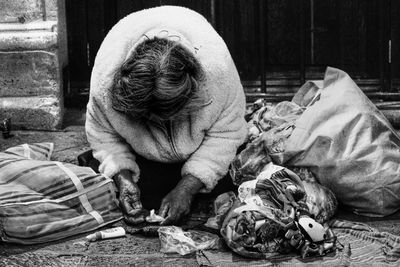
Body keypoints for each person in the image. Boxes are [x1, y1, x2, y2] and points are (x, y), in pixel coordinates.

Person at [85, 6, 247, 225]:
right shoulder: (107, 75)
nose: (160, 123)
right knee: (104, 178)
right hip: (144, 156)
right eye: (150, 119)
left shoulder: (216, 68)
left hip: (196, 150)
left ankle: (186, 189)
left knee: (242, 173)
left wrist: (188, 187)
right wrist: (123, 177)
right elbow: (103, 134)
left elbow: (226, 134)